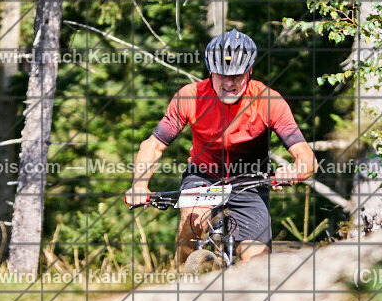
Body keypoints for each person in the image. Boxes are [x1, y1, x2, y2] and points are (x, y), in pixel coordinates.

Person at [124, 29, 317, 267]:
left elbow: (305, 156)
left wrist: (296, 170)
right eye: (221, 75)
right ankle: (185, 283)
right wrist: (140, 184)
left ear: (249, 72)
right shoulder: (190, 97)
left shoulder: (268, 101)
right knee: (192, 225)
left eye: (236, 75)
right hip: (203, 175)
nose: (229, 83)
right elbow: (153, 146)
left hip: (251, 180)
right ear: (210, 72)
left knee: (257, 262)